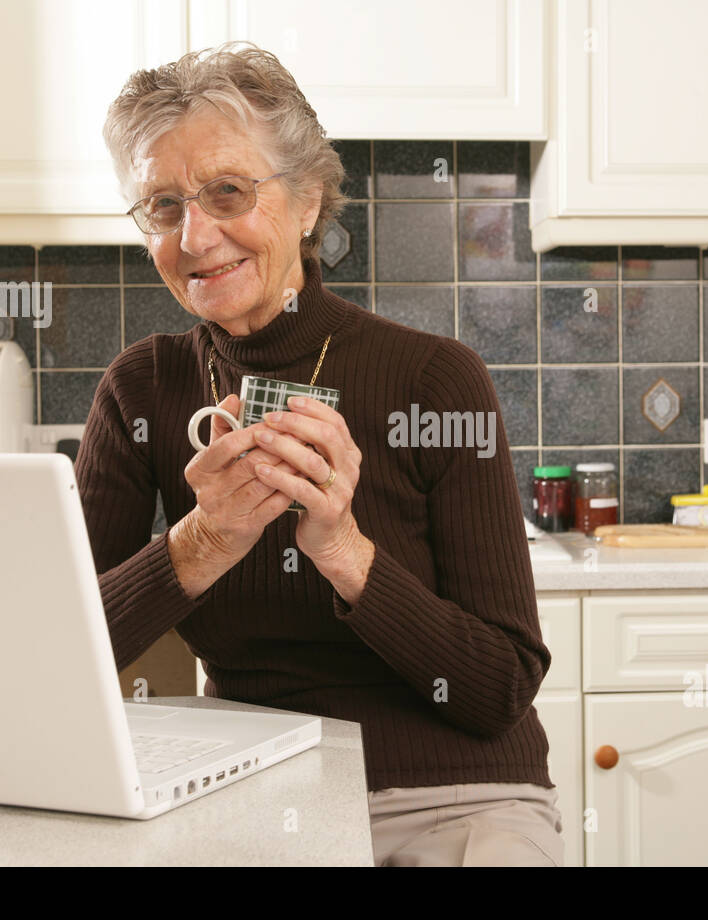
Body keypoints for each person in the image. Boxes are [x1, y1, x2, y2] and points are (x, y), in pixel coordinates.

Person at [76, 42, 562, 866]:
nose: (196, 236)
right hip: (254, 788)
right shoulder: (141, 389)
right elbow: (59, 657)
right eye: (162, 206)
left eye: (228, 191)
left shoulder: (436, 379)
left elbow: (499, 689)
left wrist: (345, 552)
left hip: (455, 795)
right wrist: (202, 543)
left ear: (307, 203)